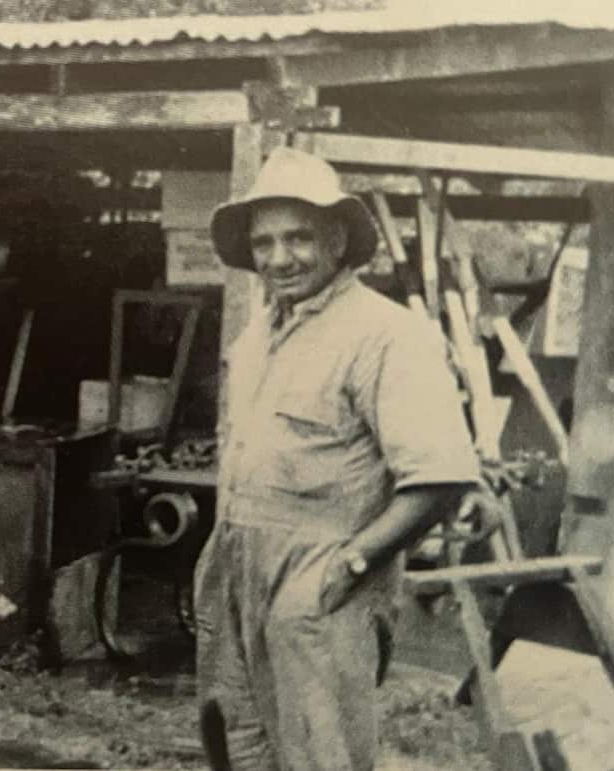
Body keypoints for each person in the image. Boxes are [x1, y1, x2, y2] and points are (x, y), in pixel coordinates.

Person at [196, 147, 480, 771]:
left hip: (320, 579)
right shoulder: (257, 335)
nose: (279, 258)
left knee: (321, 755)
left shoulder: (387, 335)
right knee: (238, 745)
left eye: (299, 238)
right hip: (236, 568)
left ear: (338, 239)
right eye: (264, 242)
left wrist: (351, 565)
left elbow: (442, 477)